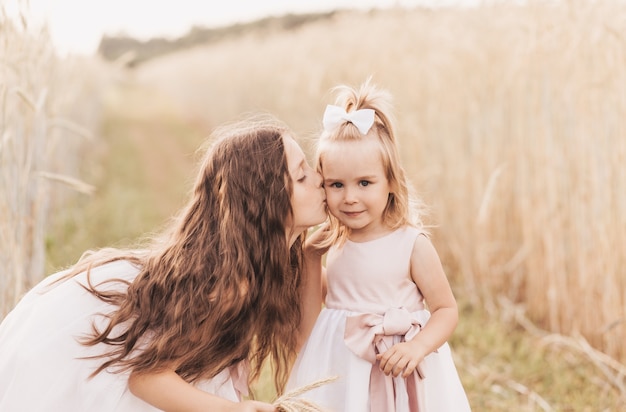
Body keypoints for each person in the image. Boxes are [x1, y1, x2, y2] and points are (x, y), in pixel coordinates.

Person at [0, 115, 328, 412]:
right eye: (301, 177)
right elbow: (146, 378)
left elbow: (311, 335)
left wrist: (313, 258)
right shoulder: (229, 281)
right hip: (95, 359)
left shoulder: (275, 258)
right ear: (265, 203)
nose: (319, 180)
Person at [287, 80, 471, 411]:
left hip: (400, 366)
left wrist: (417, 347)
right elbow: (312, 323)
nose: (350, 197)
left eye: (364, 183)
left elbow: (446, 310)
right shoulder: (333, 242)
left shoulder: (411, 243)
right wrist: (311, 257)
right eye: (336, 185)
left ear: (390, 182)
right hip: (343, 368)